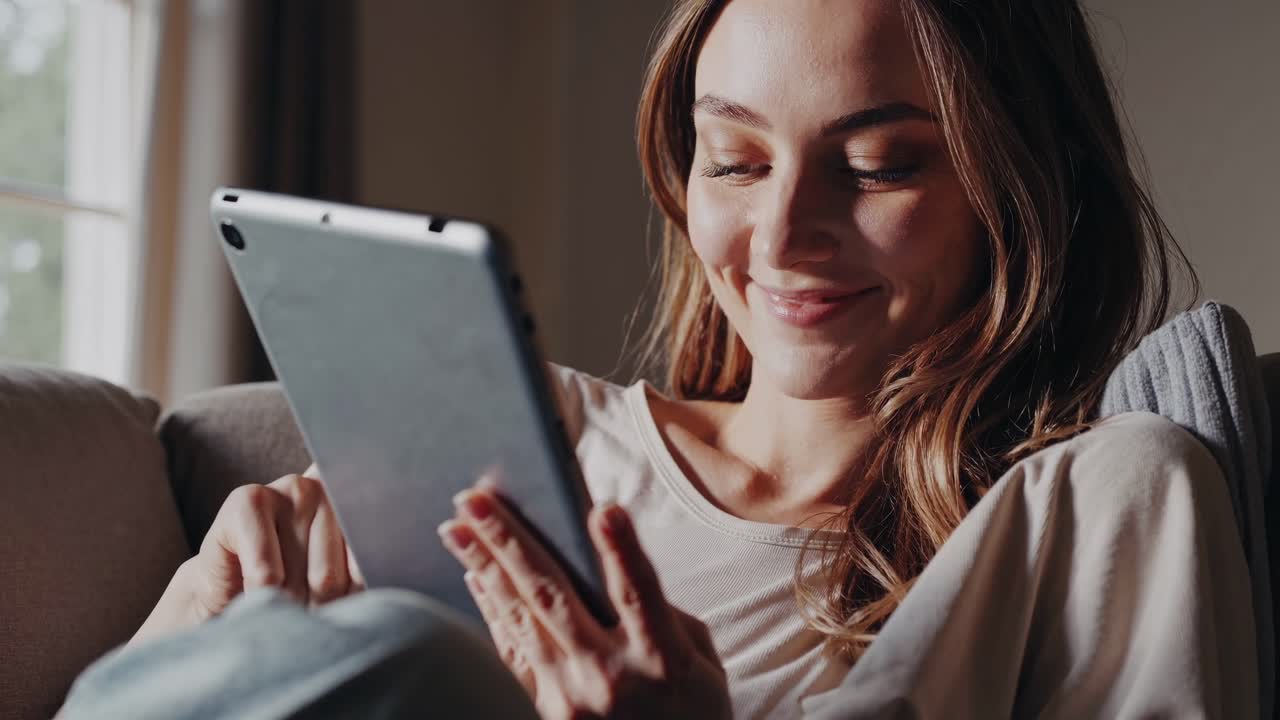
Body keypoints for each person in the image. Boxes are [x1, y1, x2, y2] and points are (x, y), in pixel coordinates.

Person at [65, 0, 1260, 718]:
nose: (780, 238)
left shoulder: (1092, 502)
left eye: (878, 165)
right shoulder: (519, 431)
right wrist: (209, 610)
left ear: (1020, 188)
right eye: (734, 161)